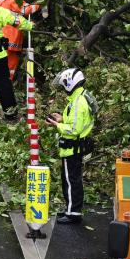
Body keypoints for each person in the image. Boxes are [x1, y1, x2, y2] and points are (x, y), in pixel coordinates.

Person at [45, 68, 96, 225]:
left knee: (71, 180)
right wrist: (62, 119)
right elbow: (77, 121)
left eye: (63, 86)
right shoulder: (81, 97)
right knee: (71, 179)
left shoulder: (78, 102)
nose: (63, 89)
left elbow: (74, 129)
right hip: (75, 147)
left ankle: (73, 213)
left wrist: (56, 125)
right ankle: (71, 209)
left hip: (72, 148)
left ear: (70, 84)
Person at [0, 0, 42, 80]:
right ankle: (1, 86)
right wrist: (40, 3)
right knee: (9, 67)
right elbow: (26, 9)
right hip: (11, 38)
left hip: (1, 38)